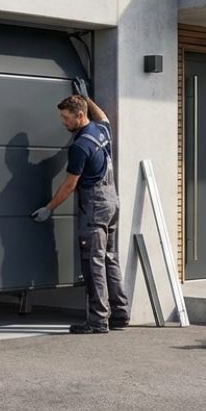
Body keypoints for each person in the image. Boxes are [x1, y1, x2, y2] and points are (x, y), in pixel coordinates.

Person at [31, 83, 130, 334]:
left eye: (66, 117)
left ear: (80, 116)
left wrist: (49, 208)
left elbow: (69, 185)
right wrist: (86, 97)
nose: (63, 122)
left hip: (94, 206)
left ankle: (97, 321)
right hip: (112, 201)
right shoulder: (101, 131)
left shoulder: (80, 146)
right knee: (109, 259)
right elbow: (104, 116)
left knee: (93, 262)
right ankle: (120, 314)